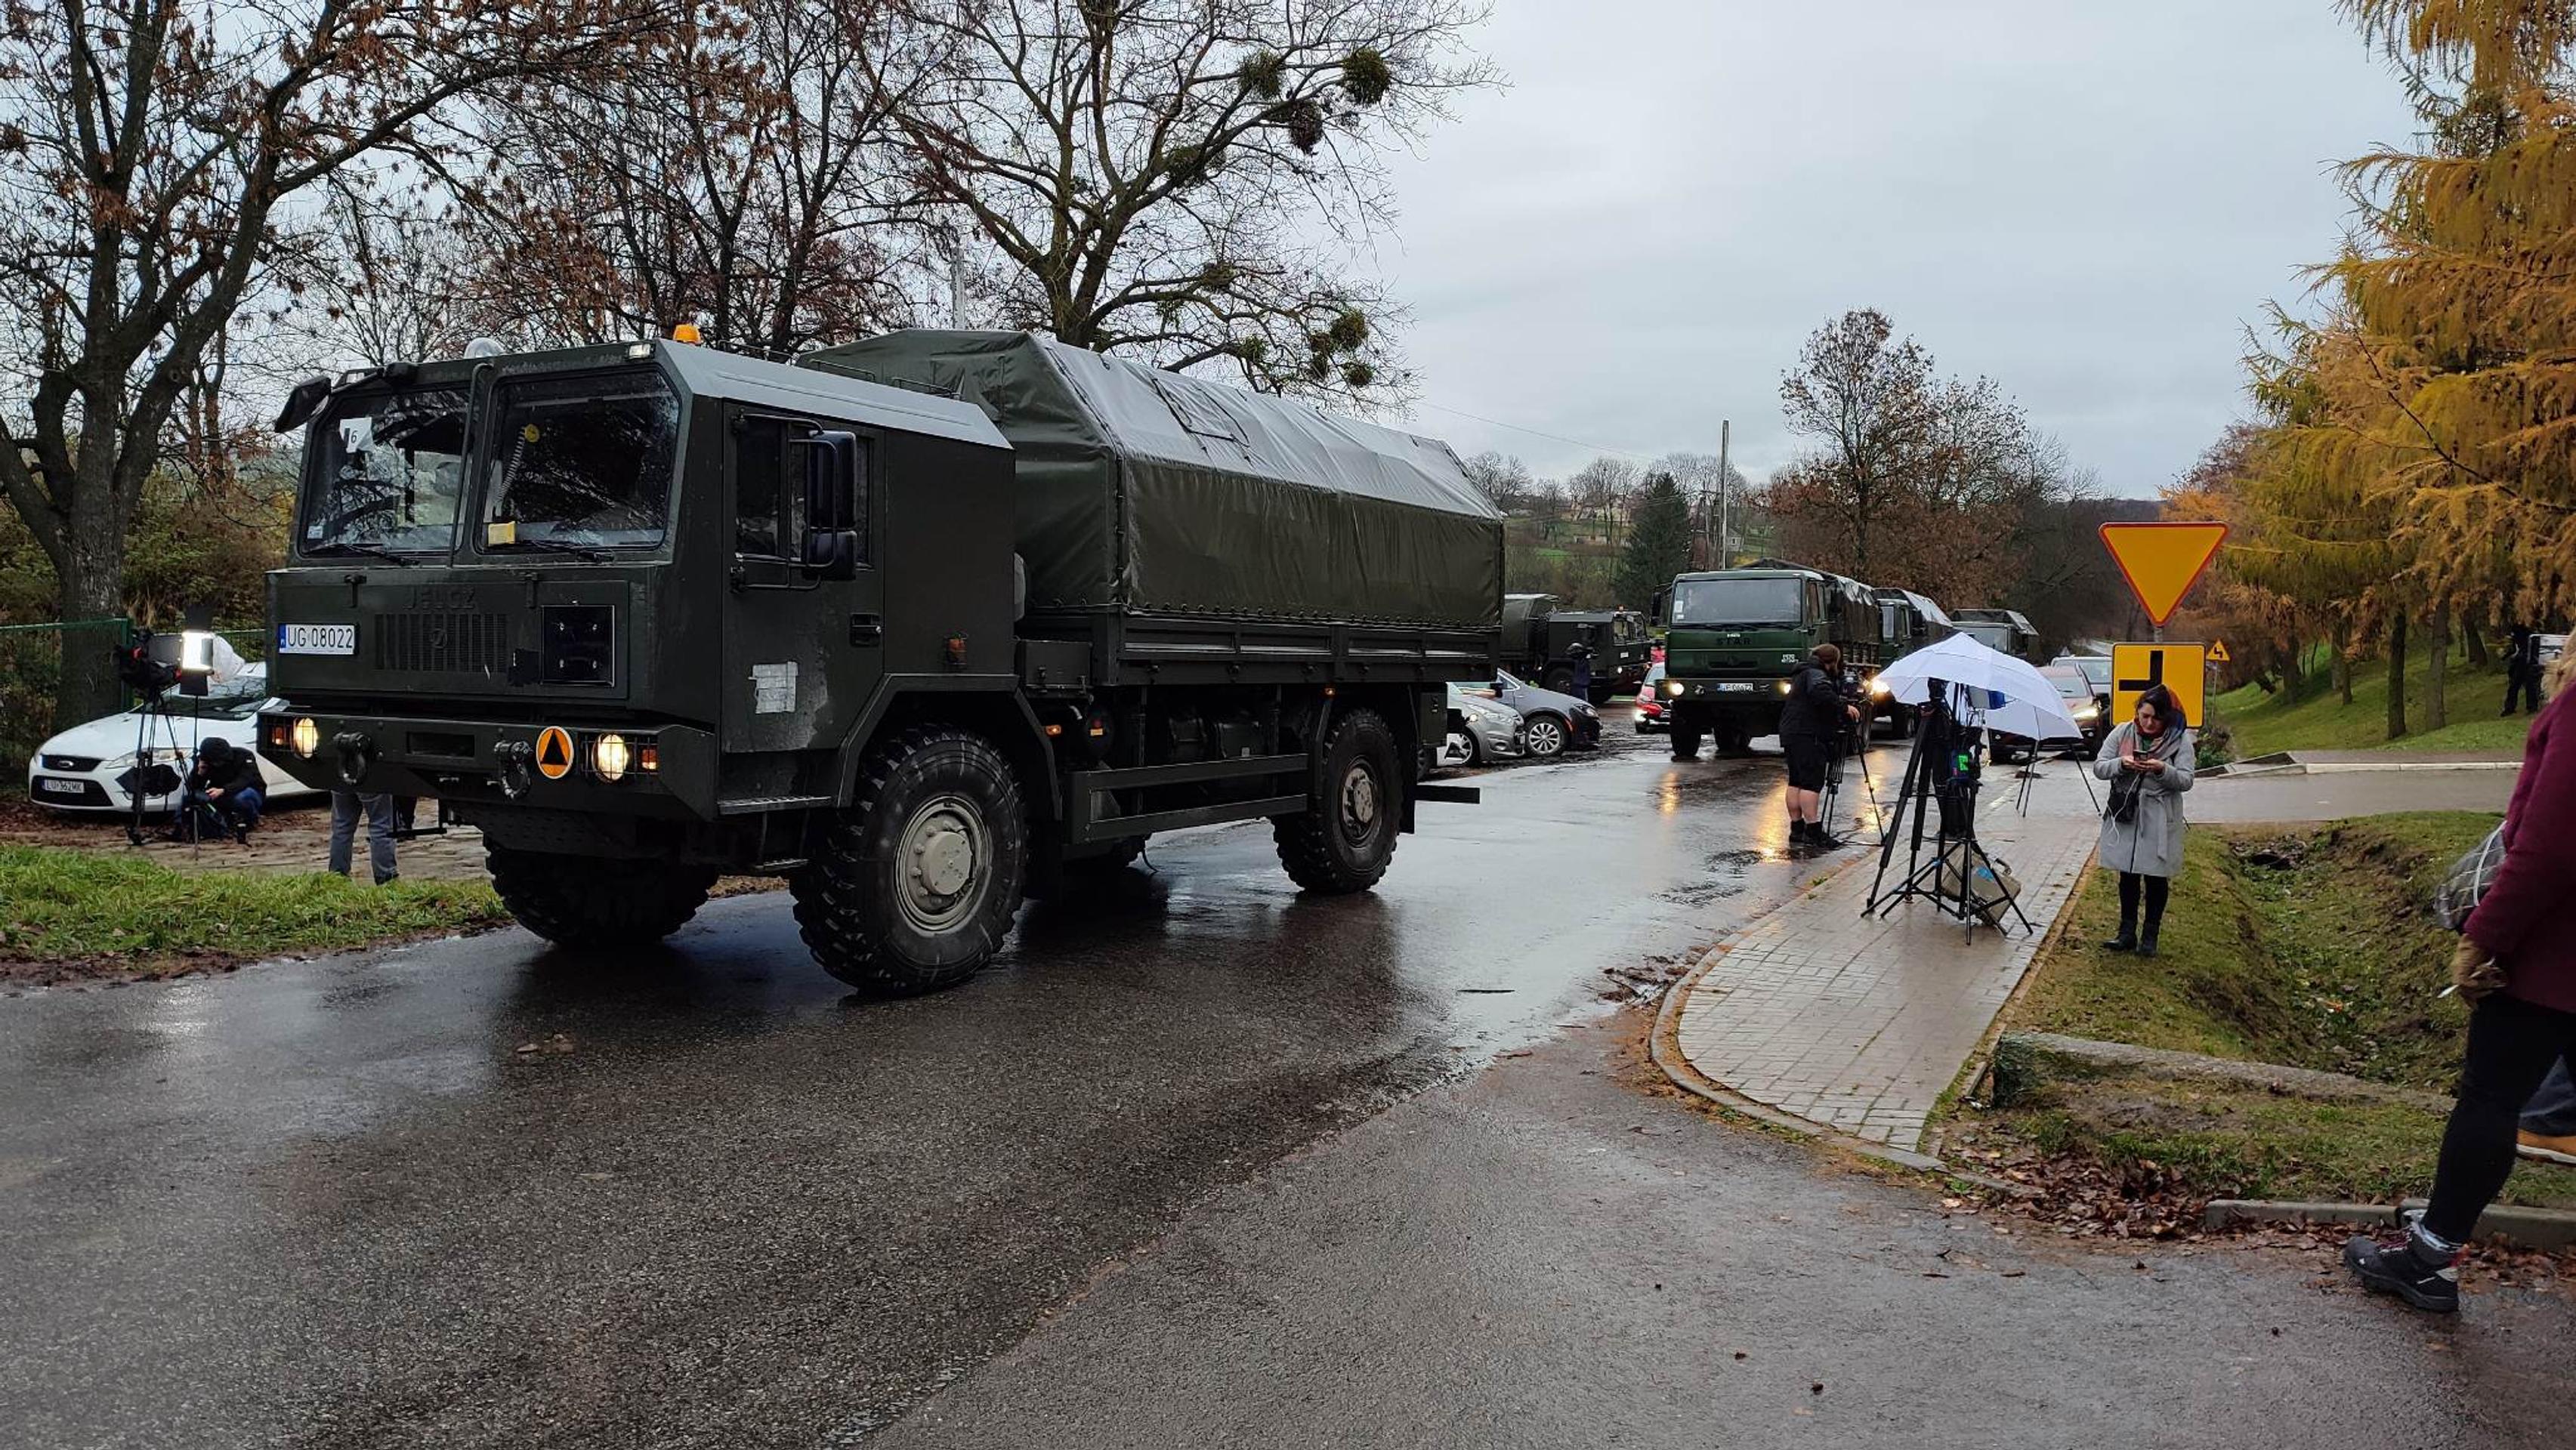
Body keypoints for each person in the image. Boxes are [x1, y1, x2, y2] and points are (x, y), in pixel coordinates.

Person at [2346, 648, 2574, 1313]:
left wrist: (2485, 937)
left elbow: (2550, 845)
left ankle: (2430, 1258)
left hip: (2551, 955)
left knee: (2491, 1100)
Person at [2092, 683, 2195, 958]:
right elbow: (2100, 767)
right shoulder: (2123, 732)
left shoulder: (2180, 740)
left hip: (2159, 816)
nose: (2148, 723)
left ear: (2167, 718)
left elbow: (2186, 780)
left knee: (2156, 877)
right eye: (2144, 715)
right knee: (2127, 873)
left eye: (2155, 718)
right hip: (2127, 811)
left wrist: (2162, 770)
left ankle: (2150, 936)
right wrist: (2122, 764)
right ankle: (2126, 933)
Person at [1780, 643, 1861, 851]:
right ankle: (1814, 831)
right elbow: (1822, 695)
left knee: (1796, 780)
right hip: (1810, 734)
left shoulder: (1802, 672)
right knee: (1811, 783)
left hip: (1791, 732)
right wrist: (1844, 707)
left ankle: (1797, 829)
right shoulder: (1817, 675)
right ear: (1832, 662)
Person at [175, 737, 264, 843]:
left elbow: (245, 780)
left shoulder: (244, 755)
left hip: (248, 790)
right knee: (191, 798)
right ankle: (182, 827)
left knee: (242, 798)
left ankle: (250, 820)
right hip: (219, 793)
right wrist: (200, 772)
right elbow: (193, 788)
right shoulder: (204, 761)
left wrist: (224, 790)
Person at [329, 788, 400, 886]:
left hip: (341, 777)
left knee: (342, 827)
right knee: (380, 826)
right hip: (372, 779)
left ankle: (337, 878)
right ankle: (386, 879)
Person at [2502, 624, 2543, 716]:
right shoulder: (2516, 629)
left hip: (2529, 659)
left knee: (2530, 684)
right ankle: (2510, 707)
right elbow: (2515, 646)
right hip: (2521, 660)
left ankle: (2532, 707)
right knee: (2514, 685)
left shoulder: (2529, 629)